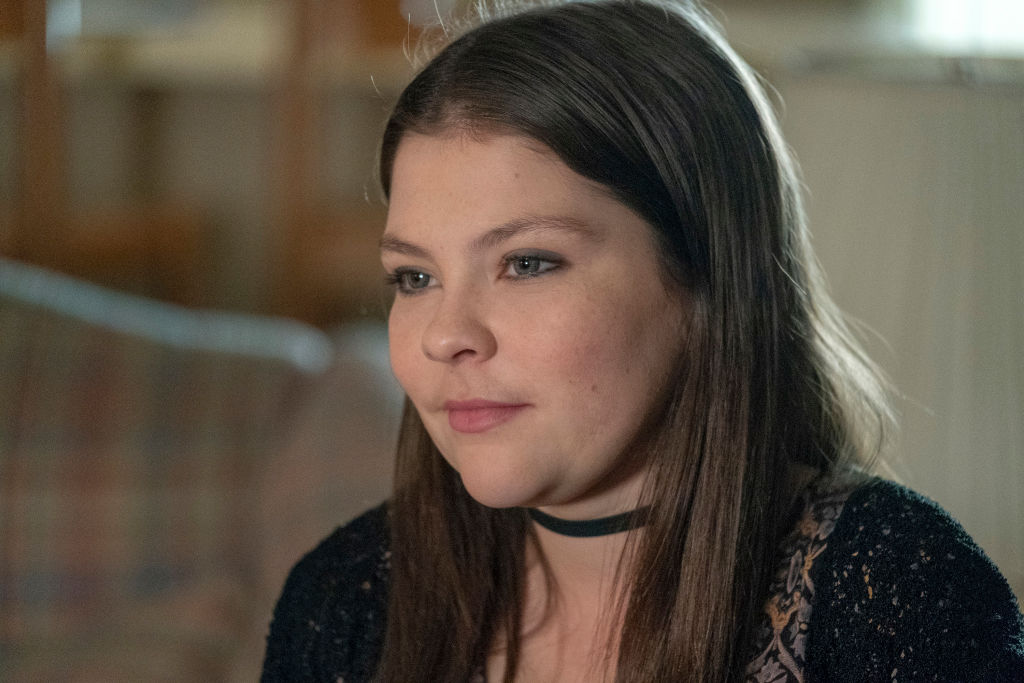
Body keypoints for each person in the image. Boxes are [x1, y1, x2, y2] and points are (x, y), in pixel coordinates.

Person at [261, 1, 1024, 681]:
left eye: (527, 263)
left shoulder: (898, 597)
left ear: (705, 279)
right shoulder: (345, 600)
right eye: (415, 277)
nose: (446, 336)